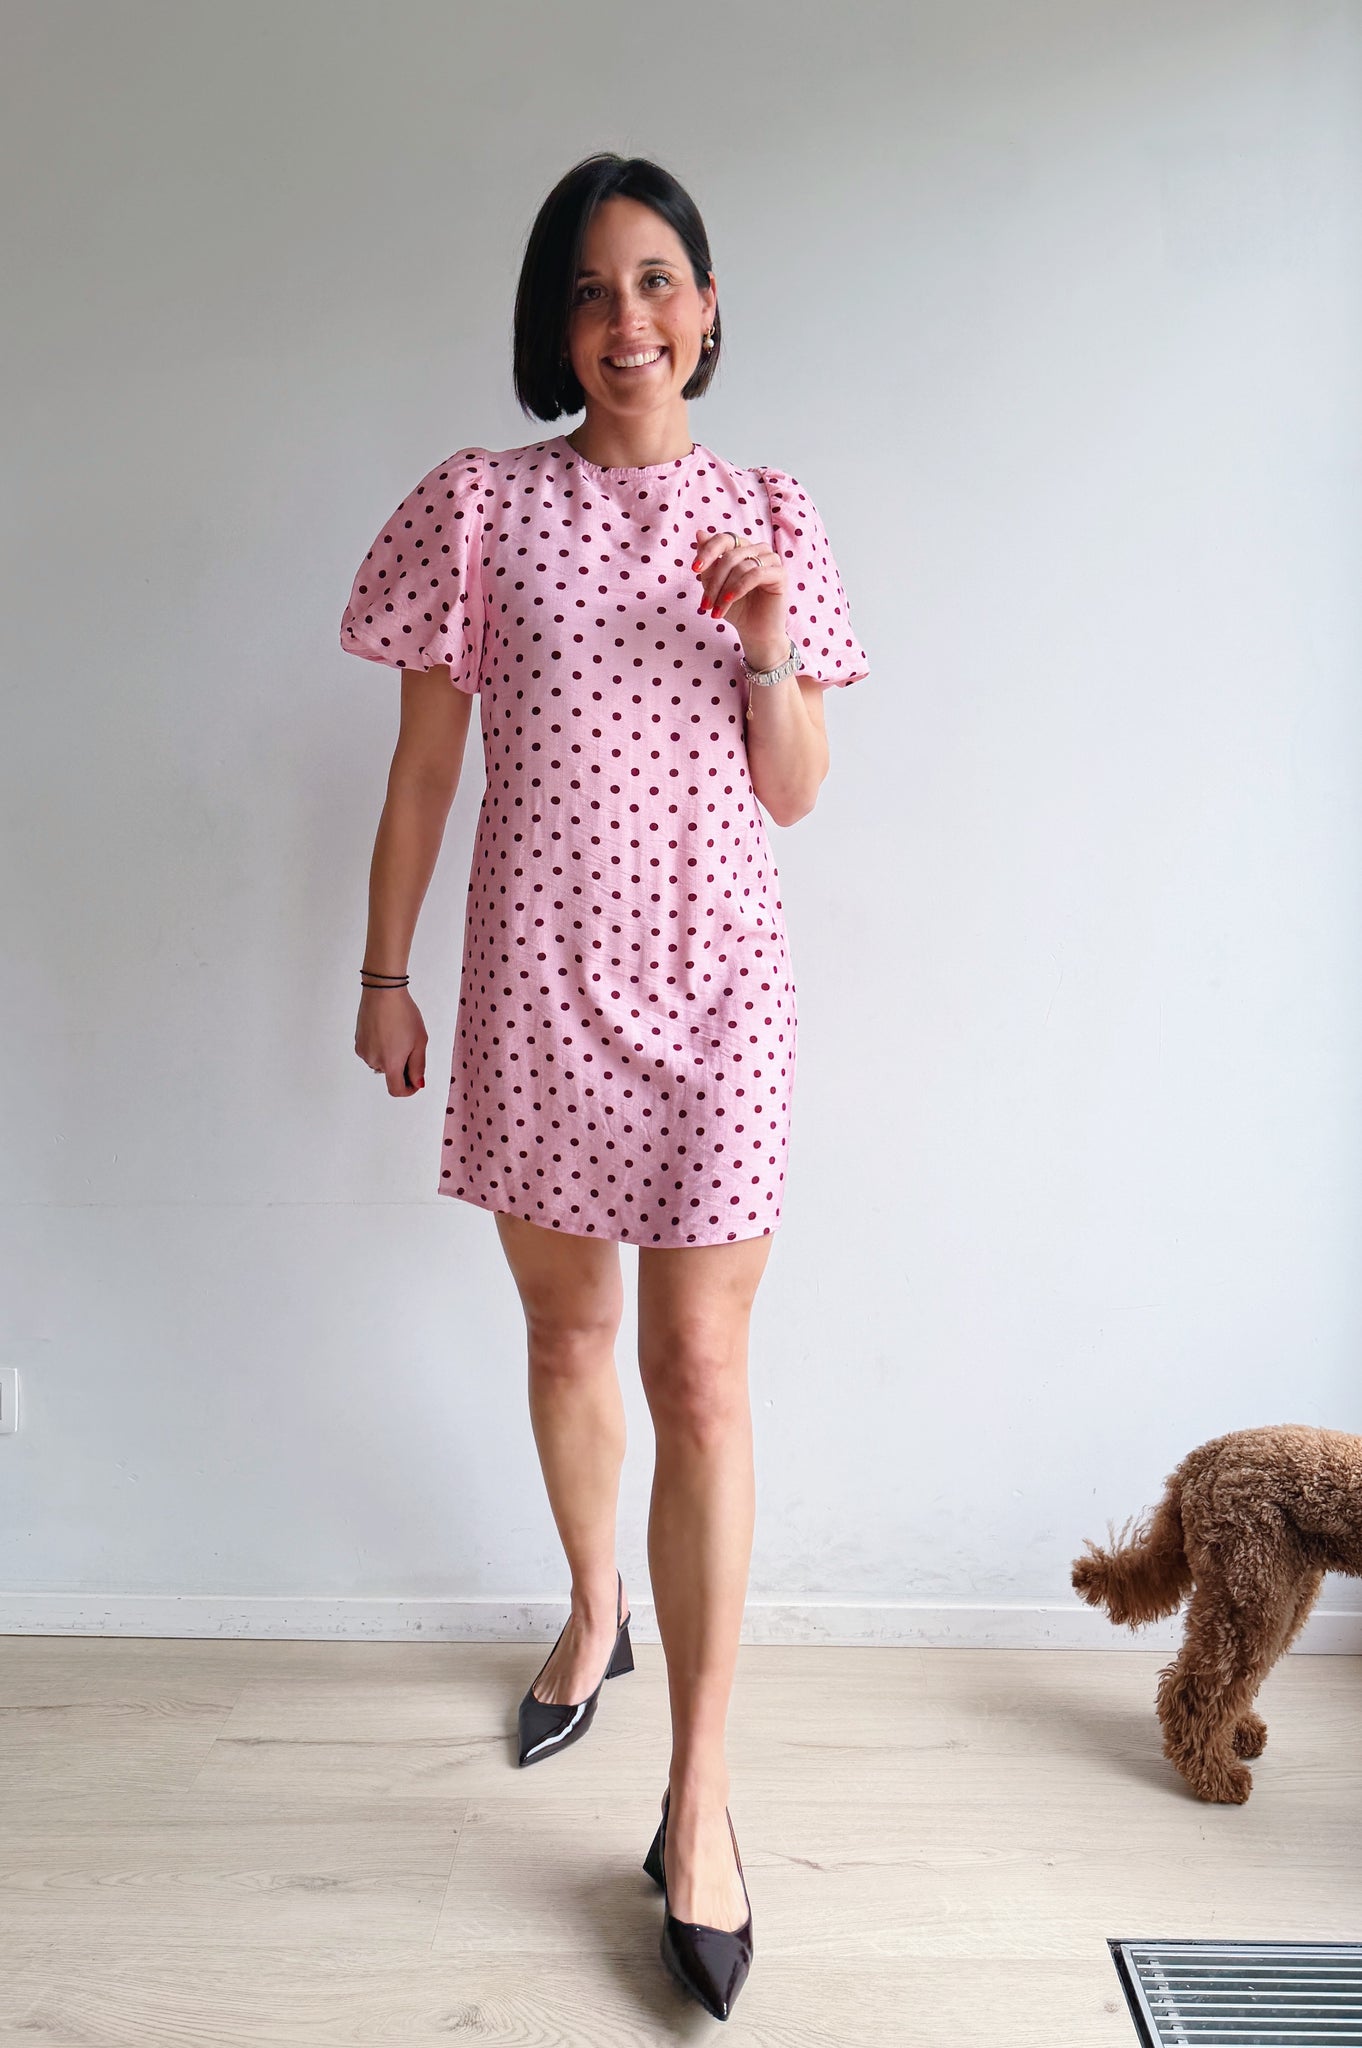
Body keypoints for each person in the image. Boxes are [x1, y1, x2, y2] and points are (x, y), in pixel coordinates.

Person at [340, 151, 868, 2023]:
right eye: (587, 289)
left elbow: (793, 791)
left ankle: (697, 1803)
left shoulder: (770, 515)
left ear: (707, 309)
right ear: (551, 326)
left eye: (655, 280)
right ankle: (592, 1609)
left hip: (721, 996)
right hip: (537, 987)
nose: (624, 318)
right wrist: (384, 973)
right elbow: (423, 772)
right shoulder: (482, 507)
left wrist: (767, 643)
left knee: (700, 1372)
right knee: (569, 1341)